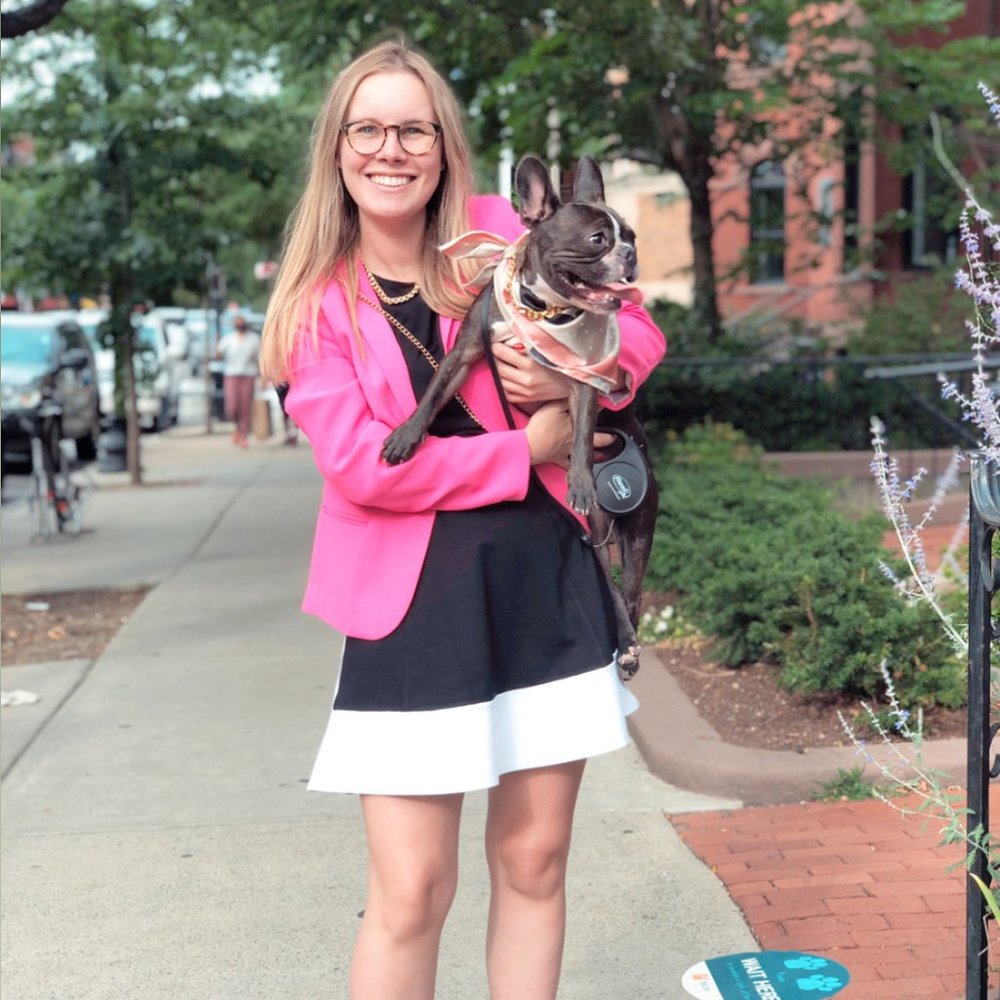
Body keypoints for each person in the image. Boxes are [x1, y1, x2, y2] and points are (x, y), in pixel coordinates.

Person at [259, 36, 666, 1000]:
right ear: (338, 147)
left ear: (444, 148)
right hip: (410, 606)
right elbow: (363, 469)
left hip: (543, 581)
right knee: (411, 892)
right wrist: (529, 447)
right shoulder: (318, 304)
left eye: (413, 129)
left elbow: (636, 323)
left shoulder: (499, 231)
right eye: (368, 129)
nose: (389, 150)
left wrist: (597, 376)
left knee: (535, 866)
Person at [216, 314, 261, 447]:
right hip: (231, 375)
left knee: (245, 406)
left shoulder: (253, 339)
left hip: (248, 375)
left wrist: (263, 377)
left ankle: (244, 435)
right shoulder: (228, 339)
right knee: (232, 407)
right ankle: (236, 428)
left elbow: (259, 359)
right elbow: (218, 355)